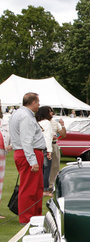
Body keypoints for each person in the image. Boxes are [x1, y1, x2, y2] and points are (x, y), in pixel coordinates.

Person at [9, 92, 45, 224]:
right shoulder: (26, 116)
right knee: (30, 188)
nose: (39, 105)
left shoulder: (18, 114)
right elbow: (26, 140)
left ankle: (34, 216)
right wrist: (33, 161)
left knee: (35, 187)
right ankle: (27, 217)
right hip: (29, 153)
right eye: (38, 102)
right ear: (33, 102)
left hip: (25, 153)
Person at [36, 106, 66, 196]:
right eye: (50, 112)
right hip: (45, 147)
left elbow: (63, 135)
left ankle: (50, 185)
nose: (52, 113)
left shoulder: (54, 123)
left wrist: (63, 125)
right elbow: (46, 137)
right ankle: (45, 188)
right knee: (45, 168)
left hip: (52, 145)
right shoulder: (41, 122)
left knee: (54, 166)